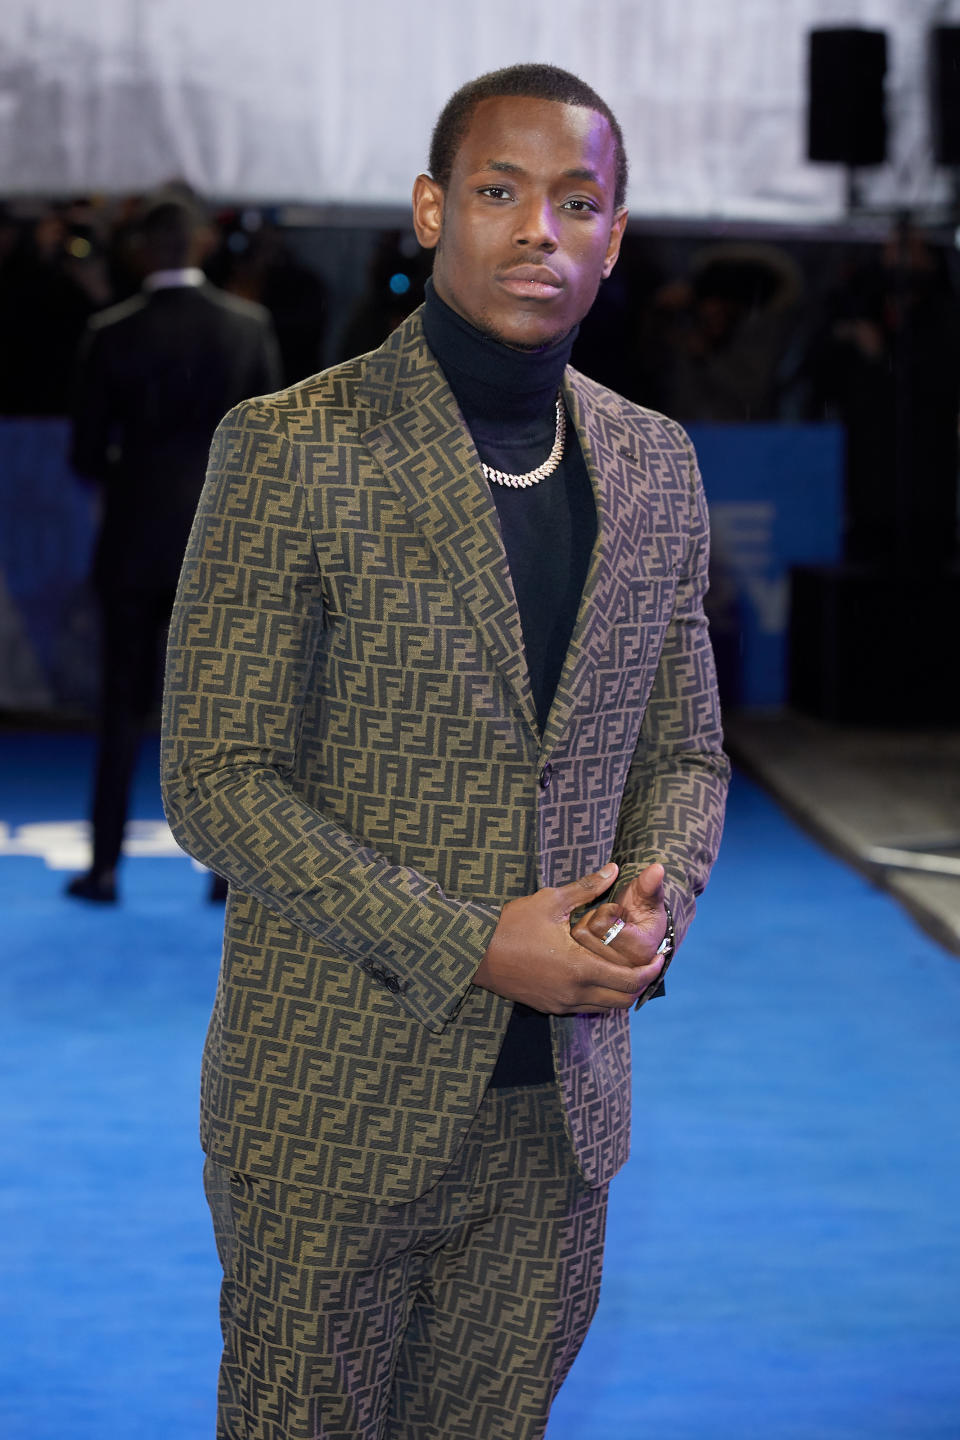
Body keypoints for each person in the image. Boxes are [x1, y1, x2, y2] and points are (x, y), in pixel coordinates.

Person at [161, 64, 729, 1440]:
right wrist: (477, 939)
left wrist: (654, 890)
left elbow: (689, 747)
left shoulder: (657, 464)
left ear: (617, 235)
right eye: (499, 192)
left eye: (578, 201)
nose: (541, 229)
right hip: (330, 1107)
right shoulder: (292, 449)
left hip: (560, 1123)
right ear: (431, 211)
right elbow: (217, 779)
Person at [66, 195, 281, 903]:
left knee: (121, 711)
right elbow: (269, 452)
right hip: (221, 551)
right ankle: (227, 876)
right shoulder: (247, 330)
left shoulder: (110, 332)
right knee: (223, 721)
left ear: (141, 251)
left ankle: (103, 868)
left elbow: (87, 454)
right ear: (199, 245)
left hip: (131, 546)